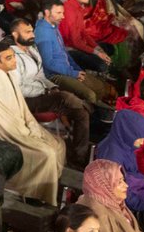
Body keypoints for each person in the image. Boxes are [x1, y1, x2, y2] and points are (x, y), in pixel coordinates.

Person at [0, 40, 66, 204]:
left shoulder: (6, 73)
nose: (14, 60)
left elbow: (21, 107)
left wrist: (31, 126)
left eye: (13, 56)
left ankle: (48, 188)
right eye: (8, 58)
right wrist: (26, 133)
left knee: (58, 144)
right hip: (4, 133)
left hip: (20, 125)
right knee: (47, 153)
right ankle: (35, 195)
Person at [11, 16, 95, 168]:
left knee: (81, 113)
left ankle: (78, 157)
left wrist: (50, 86)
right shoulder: (12, 56)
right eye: (27, 32)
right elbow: (19, 87)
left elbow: (41, 75)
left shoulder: (32, 49)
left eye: (32, 31)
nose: (32, 35)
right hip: (28, 100)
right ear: (15, 35)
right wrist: (44, 89)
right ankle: (85, 105)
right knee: (65, 96)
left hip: (45, 95)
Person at [96, 93, 144, 232]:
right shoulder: (112, 158)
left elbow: (137, 178)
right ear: (128, 133)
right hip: (129, 212)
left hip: (141, 197)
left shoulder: (123, 145)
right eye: (139, 138)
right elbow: (123, 196)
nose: (142, 143)